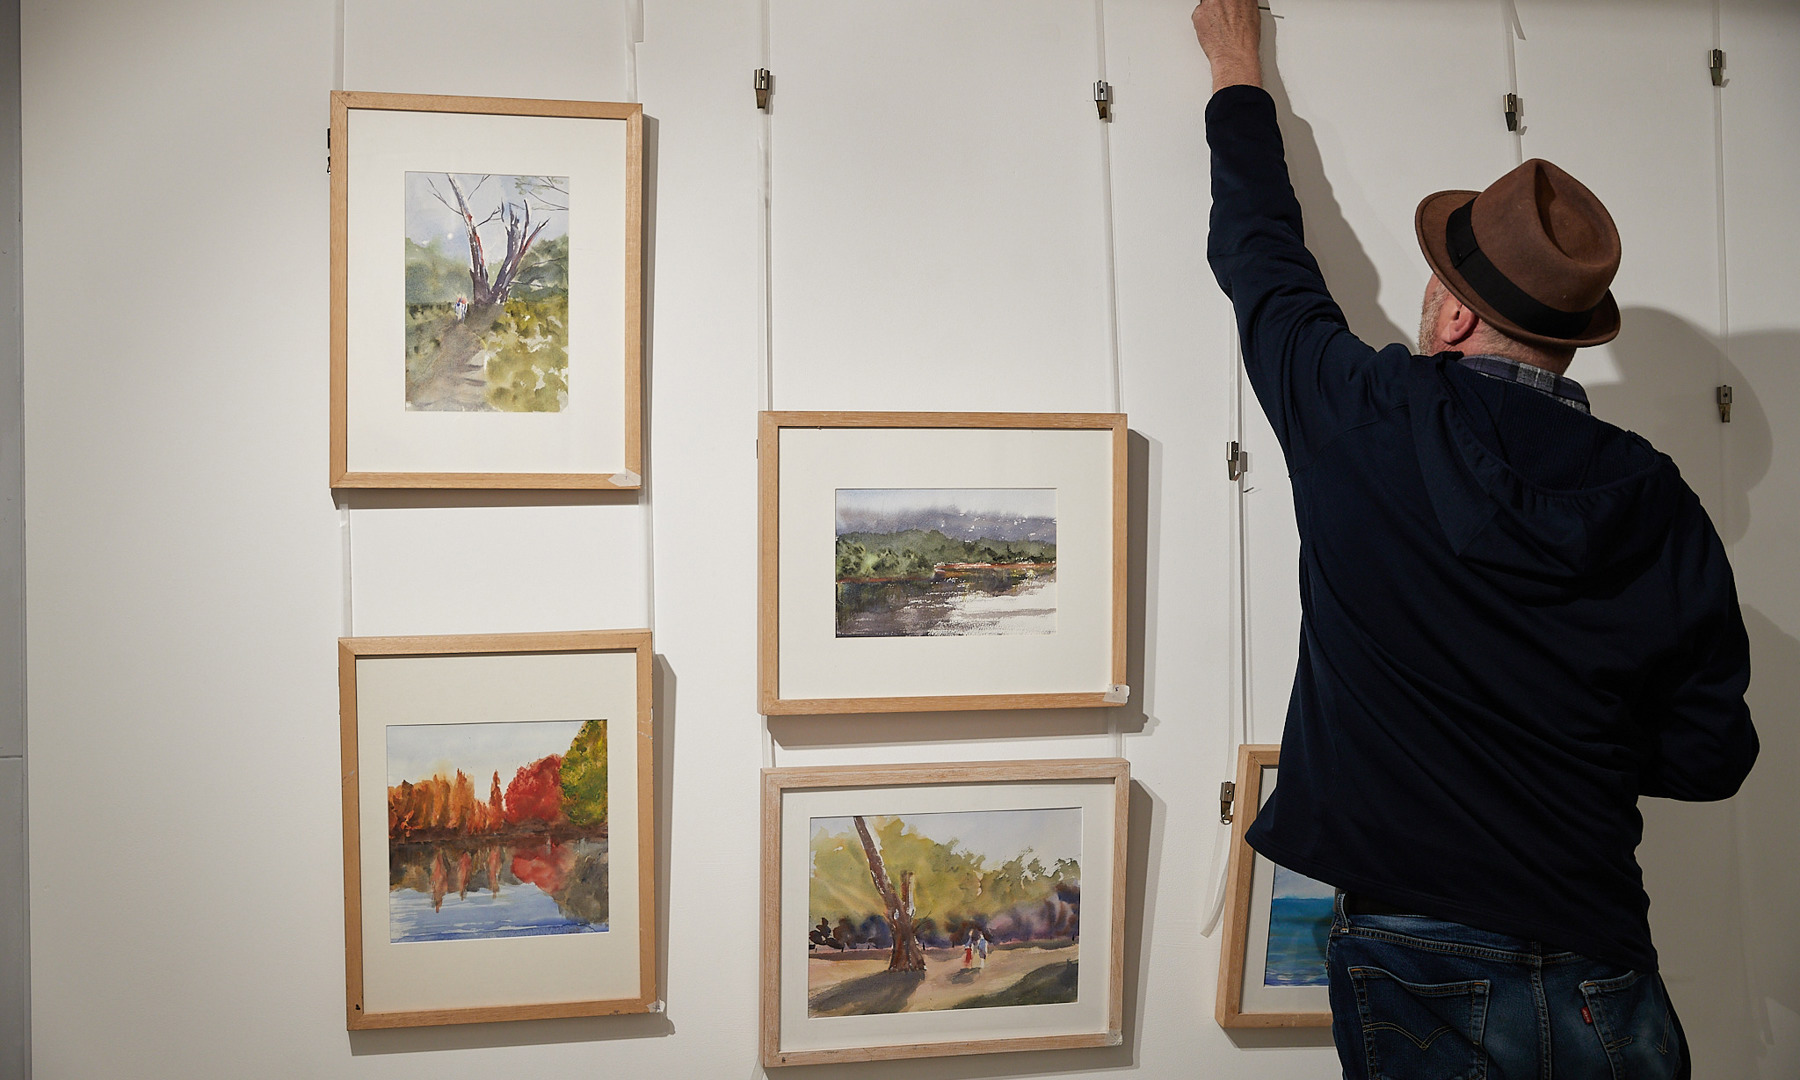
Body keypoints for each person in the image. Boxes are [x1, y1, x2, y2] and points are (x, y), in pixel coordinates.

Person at [1190, 1, 1758, 1076]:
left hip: (1419, 956)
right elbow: (1709, 756)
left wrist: (1234, 63)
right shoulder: (1659, 499)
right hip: (1604, 961)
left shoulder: (1360, 413)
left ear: (1451, 317)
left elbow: (1260, 254)